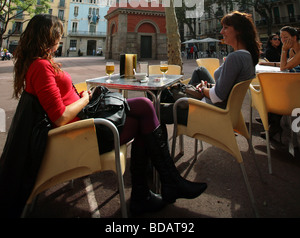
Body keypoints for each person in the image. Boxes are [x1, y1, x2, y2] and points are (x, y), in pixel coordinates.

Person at [12, 14, 207, 216]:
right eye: (57, 34)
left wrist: (81, 96)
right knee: (145, 111)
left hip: (84, 124)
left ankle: (159, 186)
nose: (59, 38)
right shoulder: (40, 66)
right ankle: (158, 186)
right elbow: (60, 117)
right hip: (82, 134)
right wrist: (85, 99)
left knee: (145, 106)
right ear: (47, 36)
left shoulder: (40, 64)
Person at [185, 11, 259, 107]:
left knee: (163, 108)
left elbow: (217, 97)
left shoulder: (235, 58)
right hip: (223, 105)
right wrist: (210, 87)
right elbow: (228, 87)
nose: (221, 32)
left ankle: (185, 100)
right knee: (200, 70)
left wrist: (203, 89)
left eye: (226, 28)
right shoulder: (248, 55)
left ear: (239, 30)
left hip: (211, 109)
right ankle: (185, 96)